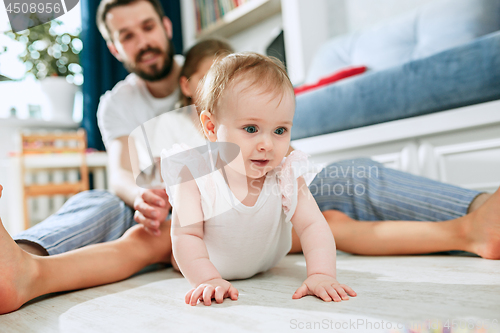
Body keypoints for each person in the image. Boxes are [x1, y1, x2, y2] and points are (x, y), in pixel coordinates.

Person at [164, 52, 356, 305]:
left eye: (280, 130)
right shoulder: (195, 176)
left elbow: (313, 226)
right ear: (211, 128)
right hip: (207, 264)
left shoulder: (285, 174)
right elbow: (185, 236)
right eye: (251, 129)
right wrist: (207, 279)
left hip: (265, 263)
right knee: (179, 251)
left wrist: (322, 274)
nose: (267, 144)